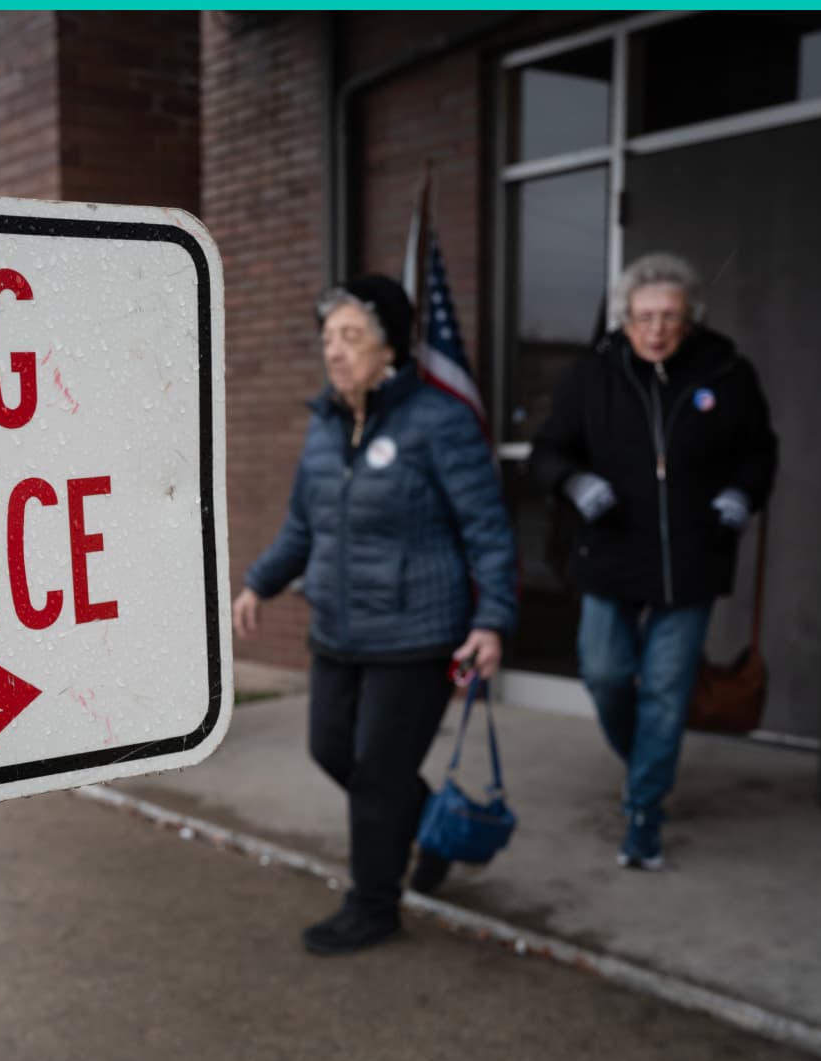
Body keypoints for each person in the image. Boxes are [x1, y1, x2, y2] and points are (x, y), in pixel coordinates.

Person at [234, 274, 517, 955]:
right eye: (329, 337)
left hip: (416, 631)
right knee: (332, 750)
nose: (334, 351)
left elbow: (486, 527)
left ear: (389, 347)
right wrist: (257, 584)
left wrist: (493, 619)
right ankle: (433, 829)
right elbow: (303, 526)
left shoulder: (440, 421)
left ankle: (373, 905)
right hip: (338, 627)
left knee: (378, 775)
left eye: (352, 336)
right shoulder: (325, 423)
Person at [528, 252, 777, 871]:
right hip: (610, 551)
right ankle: (646, 764)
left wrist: (741, 494)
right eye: (644, 317)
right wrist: (575, 482)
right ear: (625, 319)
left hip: (692, 557)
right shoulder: (592, 375)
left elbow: (759, 451)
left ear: (691, 318)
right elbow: (547, 452)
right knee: (605, 674)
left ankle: (643, 810)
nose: (657, 329)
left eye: (670, 316)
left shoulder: (727, 373)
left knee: (666, 689)